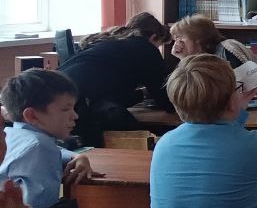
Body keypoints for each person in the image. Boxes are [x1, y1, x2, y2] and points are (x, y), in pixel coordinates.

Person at [150, 54, 257, 208]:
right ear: (230, 100)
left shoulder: (164, 144)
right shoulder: (252, 145)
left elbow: (224, 135)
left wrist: (238, 106)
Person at [58, 12, 172, 147]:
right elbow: (166, 98)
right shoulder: (145, 47)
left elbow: (112, 93)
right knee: (141, 140)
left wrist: (142, 94)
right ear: (153, 37)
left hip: (59, 94)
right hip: (82, 104)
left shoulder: (105, 43)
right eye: (158, 45)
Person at [0, 69, 97, 208]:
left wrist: (75, 156)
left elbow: (49, 149)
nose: (75, 116)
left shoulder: (10, 134)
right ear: (32, 116)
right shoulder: (40, 146)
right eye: (66, 109)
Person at [169, 14, 257, 70]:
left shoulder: (228, 48)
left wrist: (185, 59)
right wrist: (183, 59)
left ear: (198, 39)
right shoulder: (200, 58)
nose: (177, 43)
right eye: (175, 39)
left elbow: (241, 86)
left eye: (180, 38)